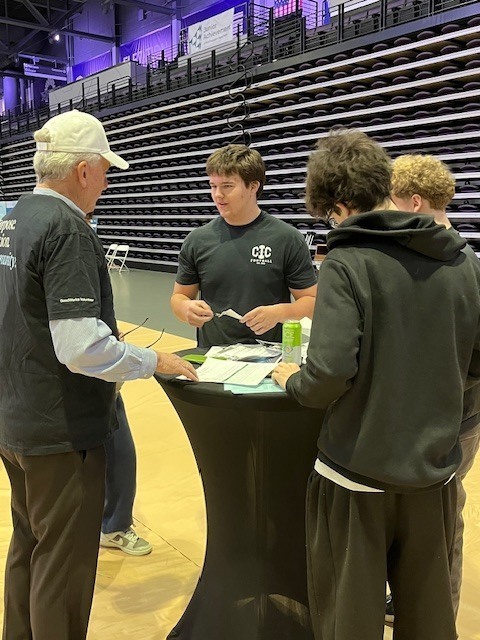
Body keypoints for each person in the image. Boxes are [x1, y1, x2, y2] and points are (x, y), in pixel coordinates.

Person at [271, 129, 480, 640]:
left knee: (349, 620)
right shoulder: (462, 261)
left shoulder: (347, 261)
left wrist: (293, 379)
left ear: (338, 206)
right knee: (430, 619)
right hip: (433, 475)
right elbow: (475, 366)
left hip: (356, 475)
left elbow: (328, 375)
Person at [0, 109, 197, 640]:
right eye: (105, 171)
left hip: (15, 421)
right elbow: (81, 346)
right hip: (60, 430)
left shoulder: (12, 218)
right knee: (62, 566)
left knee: (29, 549)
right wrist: (152, 360)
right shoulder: (68, 228)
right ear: (83, 170)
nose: (107, 183)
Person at [390, 153, 480, 620]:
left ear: (416, 201)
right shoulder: (468, 263)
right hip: (457, 413)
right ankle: (415, 600)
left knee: (445, 512)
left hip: (452, 417)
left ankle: (437, 613)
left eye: (393, 202)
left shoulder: (459, 268)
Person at [170, 144, 317, 346]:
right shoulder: (197, 240)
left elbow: (311, 301)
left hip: (269, 360)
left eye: (227, 186)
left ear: (253, 186)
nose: (218, 194)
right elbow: (179, 297)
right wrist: (186, 309)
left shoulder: (286, 238)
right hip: (212, 357)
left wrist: (280, 313)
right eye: (213, 186)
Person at [85, 212, 151, 556]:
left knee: (118, 447)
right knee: (115, 449)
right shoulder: (66, 238)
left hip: (97, 374)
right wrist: (148, 361)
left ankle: (112, 522)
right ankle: (111, 525)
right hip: (80, 376)